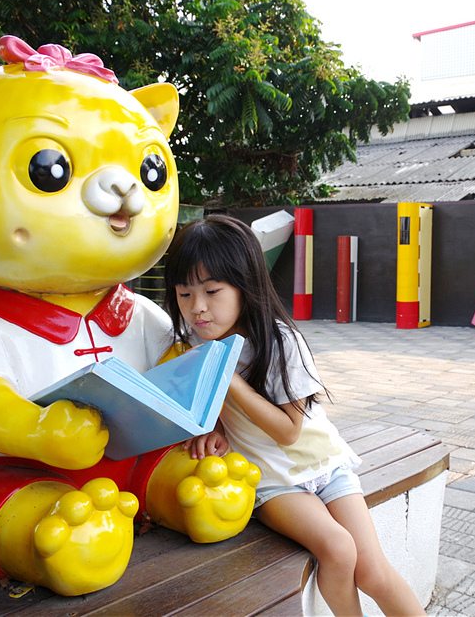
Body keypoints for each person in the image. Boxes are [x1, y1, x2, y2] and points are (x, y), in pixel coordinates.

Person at [163, 215, 426, 617]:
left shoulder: (281, 340)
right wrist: (213, 427)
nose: (197, 308)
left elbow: (289, 431)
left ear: (244, 286)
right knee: (338, 550)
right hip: (272, 482)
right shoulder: (191, 344)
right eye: (184, 294)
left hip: (326, 465)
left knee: (372, 571)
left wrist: (230, 380)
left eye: (212, 291)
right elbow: (202, 403)